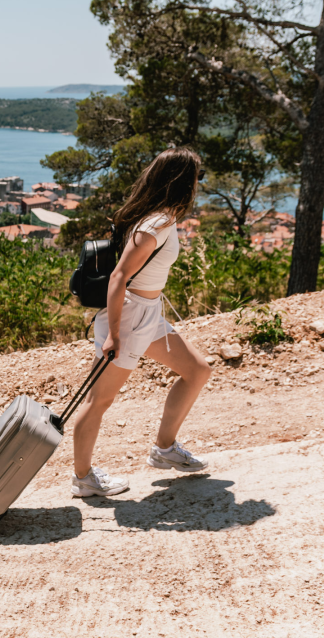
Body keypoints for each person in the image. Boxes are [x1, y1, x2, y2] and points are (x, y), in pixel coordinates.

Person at [71, 147, 213, 497]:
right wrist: (114, 335)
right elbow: (119, 277)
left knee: (198, 370)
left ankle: (164, 450)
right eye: (197, 176)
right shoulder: (156, 224)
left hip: (147, 314)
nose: (199, 182)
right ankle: (83, 478)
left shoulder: (162, 216)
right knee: (98, 401)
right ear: (182, 180)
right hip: (131, 318)